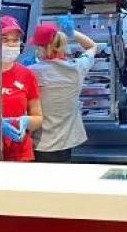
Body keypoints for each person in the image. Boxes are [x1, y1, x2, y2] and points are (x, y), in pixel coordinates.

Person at [27, 18, 97, 163]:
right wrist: (73, 33)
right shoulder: (77, 68)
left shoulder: (30, 72)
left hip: (39, 145)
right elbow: (92, 46)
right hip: (66, 144)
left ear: (41, 48)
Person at [0, 16, 42, 161]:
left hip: (20, 153)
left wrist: (26, 121)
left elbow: (38, 117)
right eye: (5, 40)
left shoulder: (27, 75)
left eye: (15, 40)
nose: (11, 45)